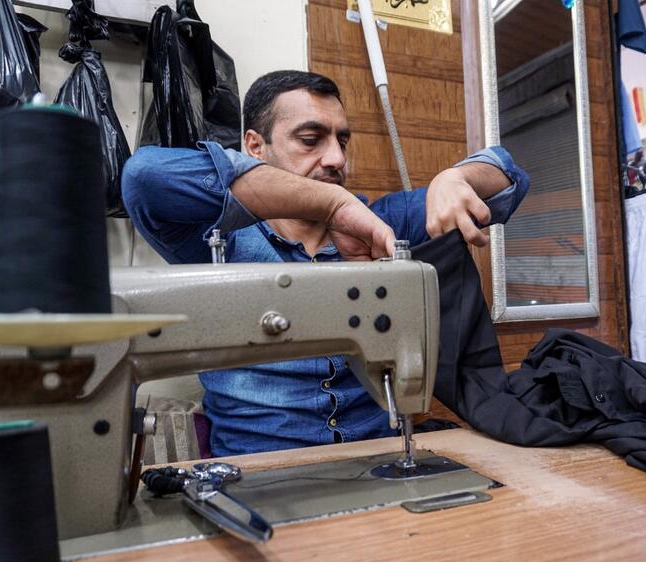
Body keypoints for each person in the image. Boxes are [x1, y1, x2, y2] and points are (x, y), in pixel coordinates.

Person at [122, 70, 530, 456]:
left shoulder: (384, 224)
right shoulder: (215, 240)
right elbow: (143, 178)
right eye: (310, 139)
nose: (336, 158)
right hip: (261, 470)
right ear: (254, 147)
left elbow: (510, 178)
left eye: (342, 141)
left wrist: (456, 179)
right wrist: (334, 204)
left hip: (377, 456)